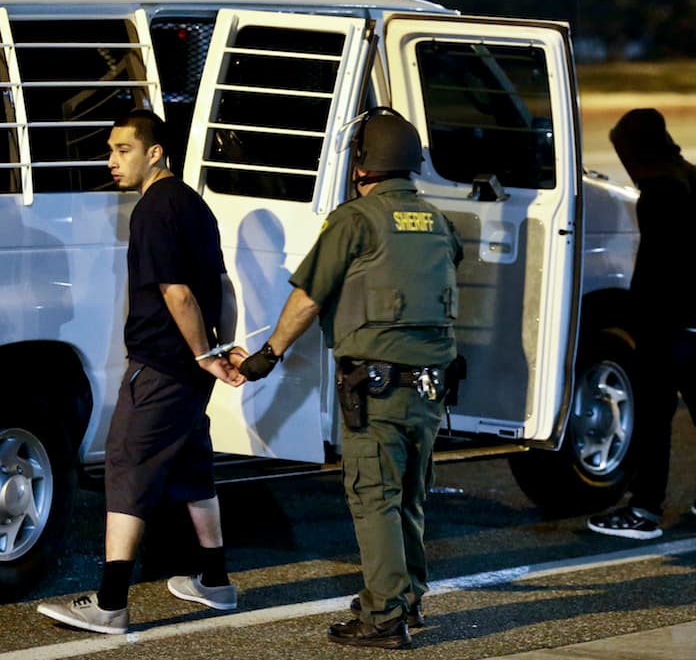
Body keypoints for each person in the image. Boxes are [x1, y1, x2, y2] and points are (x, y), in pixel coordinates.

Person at [231, 107, 462, 650]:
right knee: (409, 496)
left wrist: (268, 355)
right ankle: (407, 598)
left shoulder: (355, 221)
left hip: (375, 387)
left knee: (373, 496)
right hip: (430, 385)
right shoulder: (438, 221)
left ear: (362, 164)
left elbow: (309, 295)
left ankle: (383, 617)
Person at [38, 109, 246, 634]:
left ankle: (110, 604)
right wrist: (221, 347)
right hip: (190, 370)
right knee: (192, 465)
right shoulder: (195, 205)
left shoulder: (153, 209)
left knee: (127, 469)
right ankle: (215, 582)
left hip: (161, 368)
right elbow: (222, 285)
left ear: (154, 152)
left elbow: (175, 290)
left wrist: (203, 354)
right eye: (110, 150)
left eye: (123, 149)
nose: (111, 161)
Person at [586, 109, 696, 540]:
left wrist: (637, 318)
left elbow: (657, 266)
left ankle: (644, 510)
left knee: (654, 416)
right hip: (693, 318)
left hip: (663, 319)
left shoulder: (658, 192)